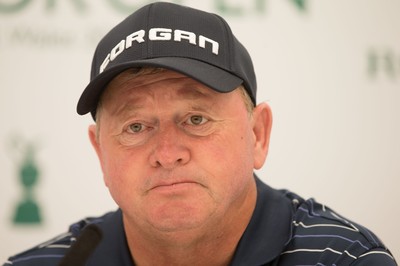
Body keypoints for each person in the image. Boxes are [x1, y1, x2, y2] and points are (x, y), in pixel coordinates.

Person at [4, 2, 397, 266]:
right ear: (100, 152)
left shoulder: (345, 259)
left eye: (196, 119)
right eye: (136, 126)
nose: (167, 152)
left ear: (258, 134)